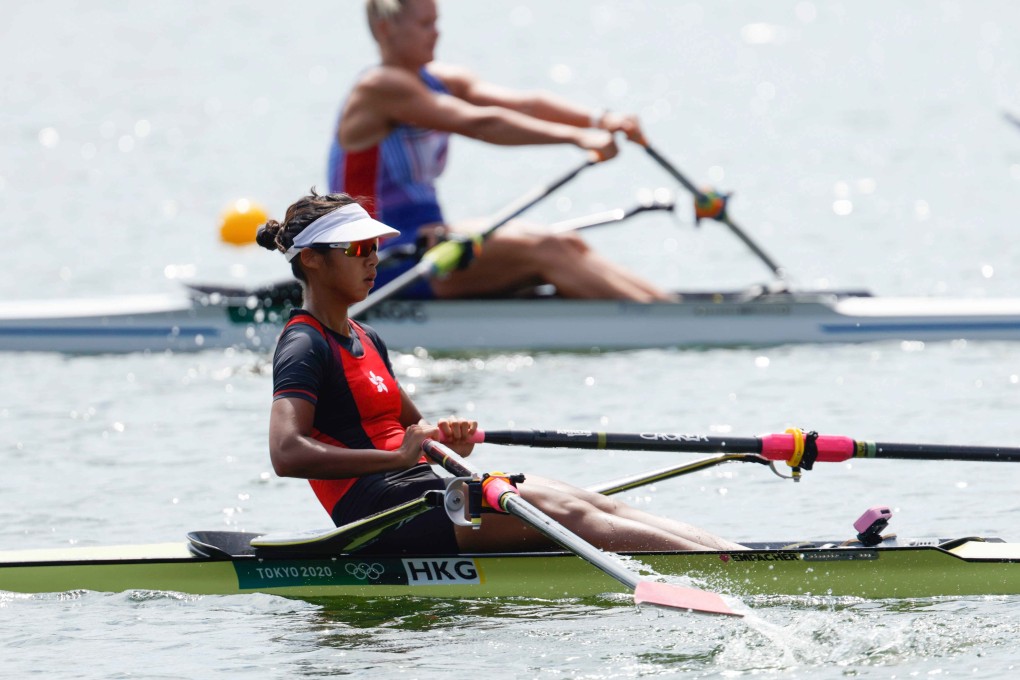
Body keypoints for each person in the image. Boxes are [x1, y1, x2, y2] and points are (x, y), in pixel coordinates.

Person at [256, 190, 743, 554]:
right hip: (380, 516)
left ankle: (735, 556)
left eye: (374, 246)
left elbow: (417, 432)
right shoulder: (303, 344)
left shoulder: (366, 337)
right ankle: (727, 571)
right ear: (312, 260)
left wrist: (448, 440)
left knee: (588, 501)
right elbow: (286, 453)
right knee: (567, 513)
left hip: (422, 492)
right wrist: (398, 457)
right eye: (357, 249)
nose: (373, 260)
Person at [327, 0, 673, 302]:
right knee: (545, 250)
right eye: (425, 24)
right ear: (386, 29)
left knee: (564, 242)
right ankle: (666, 323)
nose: (436, 33)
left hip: (424, 239)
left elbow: (526, 105)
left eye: (437, 22)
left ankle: (668, 308)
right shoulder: (380, 88)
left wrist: (600, 119)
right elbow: (482, 123)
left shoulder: (439, 80)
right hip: (375, 257)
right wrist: (578, 138)